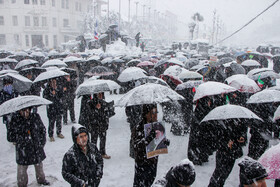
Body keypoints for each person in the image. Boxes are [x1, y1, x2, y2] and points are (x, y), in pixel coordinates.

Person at [8, 107, 50, 187]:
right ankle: (22, 184)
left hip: (35, 147)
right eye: (23, 110)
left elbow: (42, 130)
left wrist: (41, 142)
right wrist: (21, 135)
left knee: (39, 166)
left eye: (28, 110)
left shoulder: (35, 116)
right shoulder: (15, 120)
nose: (26, 112)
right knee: (22, 169)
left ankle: (41, 180)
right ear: (19, 111)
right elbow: (10, 137)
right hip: (22, 149)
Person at [131, 104, 170, 187]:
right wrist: (149, 138)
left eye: (157, 112)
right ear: (146, 114)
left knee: (150, 182)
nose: (156, 115)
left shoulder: (157, 126)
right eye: (153, 112)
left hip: (153, 162)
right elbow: (136, 147)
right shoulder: (138, 128)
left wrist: (164, 142)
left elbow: (157, 142)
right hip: (142, 164)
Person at [208, 119, 247, 187]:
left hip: (233, 152)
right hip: (223, 152)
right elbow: (215, 137)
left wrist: (241, 138)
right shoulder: (221, 121)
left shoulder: (240, 120)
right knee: (218, 173)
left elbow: (243, 133)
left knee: (224, 175)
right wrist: (226, 143)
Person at [86, 92, 114, 159]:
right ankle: (93, 153)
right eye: (99, 94)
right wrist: (96, 109)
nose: (100, 95)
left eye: (101, 94)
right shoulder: (90, 103)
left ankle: (102, 152)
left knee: (103, 139)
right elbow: (88, 114)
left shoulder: (103, 102)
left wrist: (106, 121)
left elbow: (107, 113)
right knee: (94, 140)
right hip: (94, 125)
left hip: (102, 124)